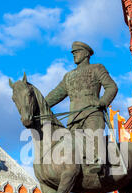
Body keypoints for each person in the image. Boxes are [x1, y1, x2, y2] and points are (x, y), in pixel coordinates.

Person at [45, 41, 118, 174]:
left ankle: (99, 161)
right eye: (73, 53)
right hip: (74, 118)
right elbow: (56, 94)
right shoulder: (68, 76)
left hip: (92, 113)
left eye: (77, 52)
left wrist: (103, 101)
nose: (74, 55)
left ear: (86, 54)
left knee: (93, 133)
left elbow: (111, 87)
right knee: (68, 146)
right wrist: (40, 105)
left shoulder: (97, 68)